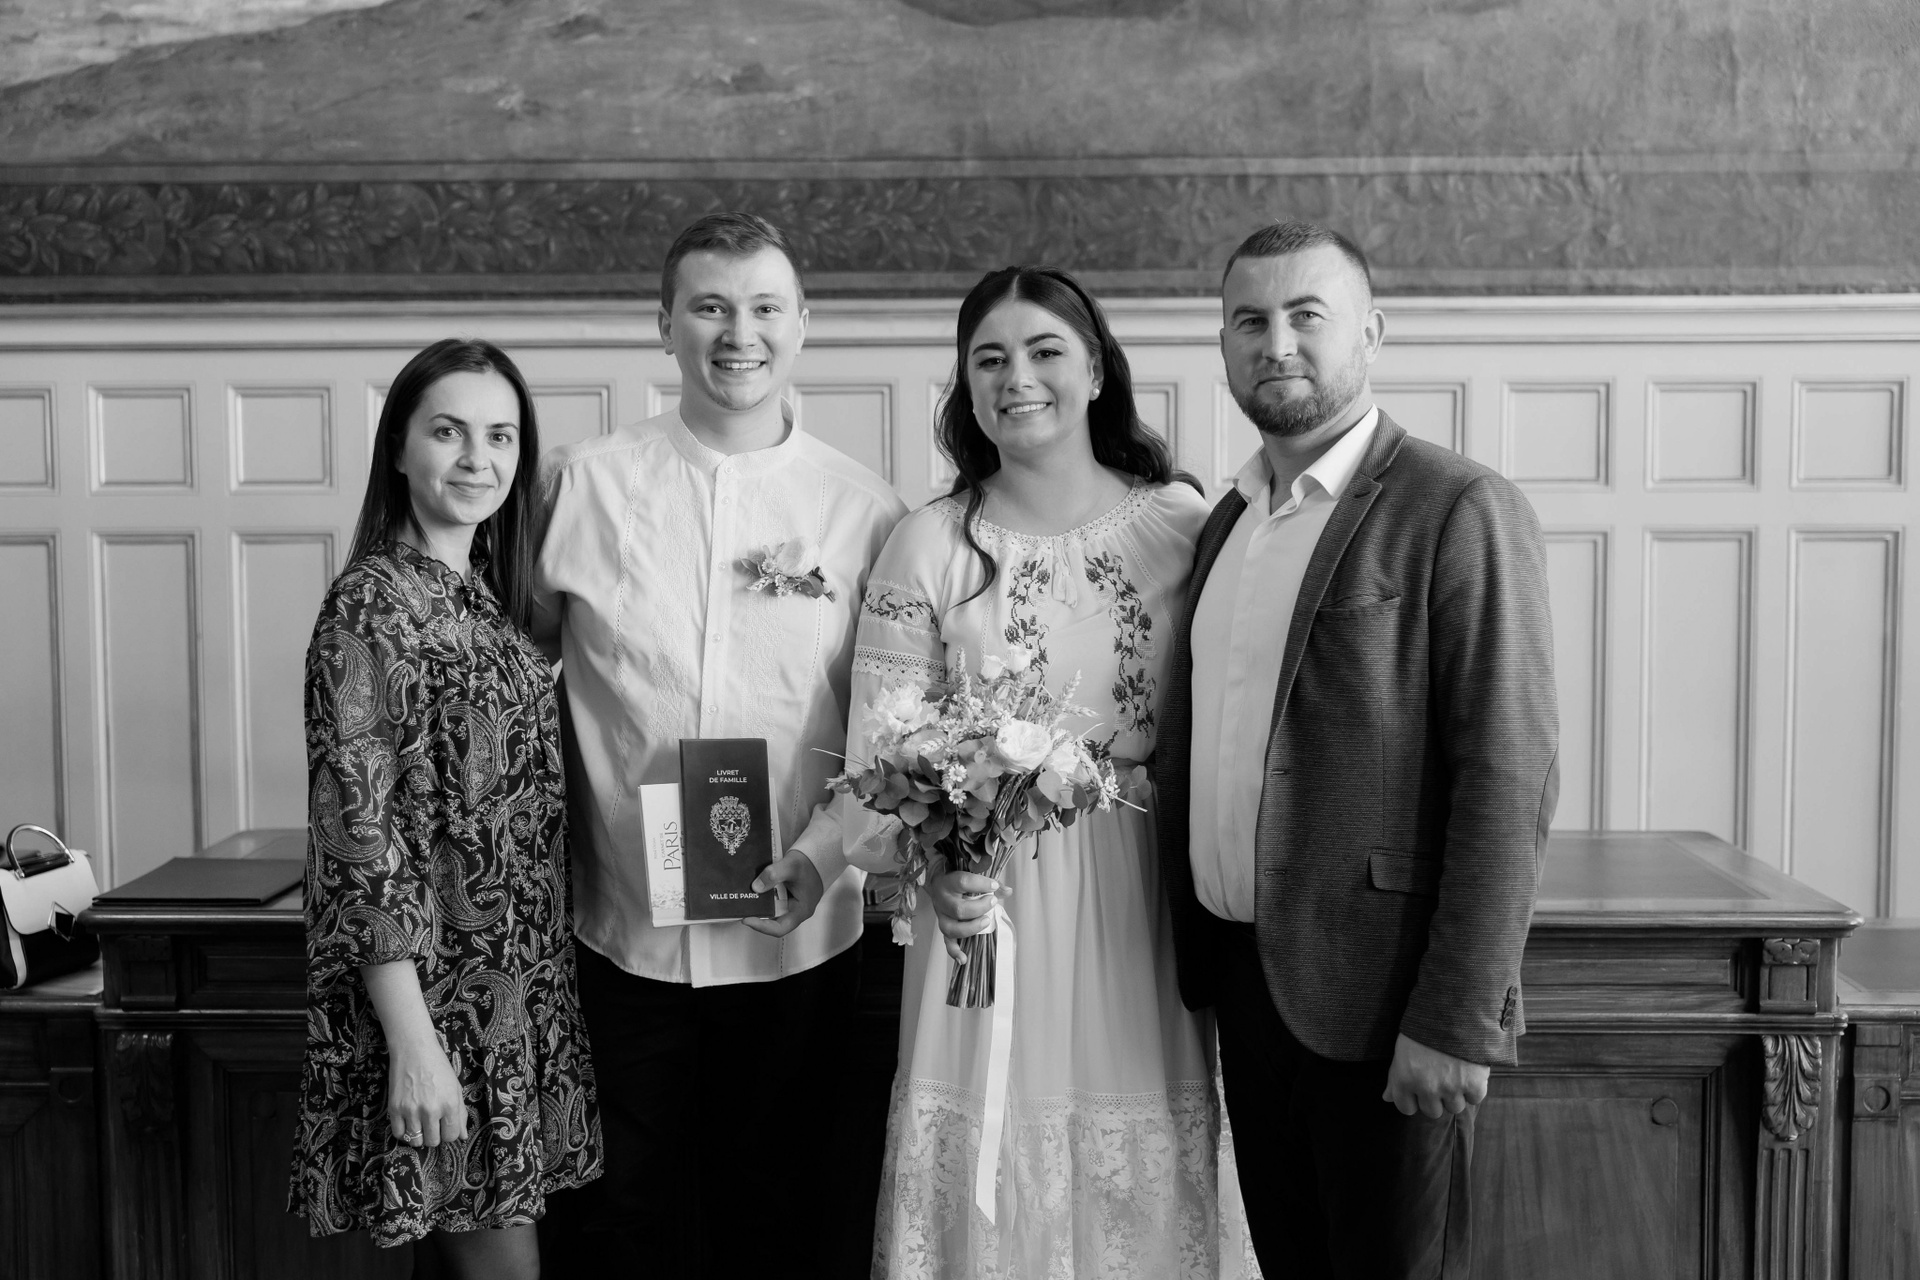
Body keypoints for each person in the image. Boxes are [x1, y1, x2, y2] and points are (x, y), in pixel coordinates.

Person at [1153, 221, 1560, 1279]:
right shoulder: (1228, 521)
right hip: (1246, 985)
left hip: (1383, 1004)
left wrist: (1457, 1019)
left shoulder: (1456, 506)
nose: (1275, 343)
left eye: (1306, 315)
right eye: (1249, 321)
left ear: (1371, 333)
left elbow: (1508, 776)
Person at [530, 212, 908, 1279]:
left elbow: (886, 732)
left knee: (779, 1223)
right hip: (617, 936)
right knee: (616, 1224)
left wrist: (823, 856)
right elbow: (510, 680)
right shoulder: (579, 486)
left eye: (763, 309)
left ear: (802, 325)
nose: (738, 335)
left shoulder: (865, 512)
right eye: (709, 308)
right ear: (665, 325)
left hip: (798, 937)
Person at [848, 265, 1230, 1278]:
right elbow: (876, 759)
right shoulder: (928, 543)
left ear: (1096, 370)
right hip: (984, 905)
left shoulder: (1183, 525)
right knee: (995, 1154)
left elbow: (1234, 723)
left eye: (1045, 350)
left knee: (1135, 1164)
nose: (1017, 377)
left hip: (1144, 898)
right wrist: (939, 871)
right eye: (990, 359)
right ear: (966, 388)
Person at [290, 338, 602, 1279]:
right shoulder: (371, 607)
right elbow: (362, 840)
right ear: (399, 447)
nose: (478, 458)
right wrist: (414, 1043)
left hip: (518, 990)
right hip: (443, 1006)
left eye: (500, 436)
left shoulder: (480, 599)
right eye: (449, 432)